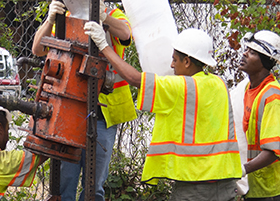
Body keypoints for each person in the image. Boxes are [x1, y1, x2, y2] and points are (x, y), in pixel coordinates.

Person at [85, 23, 243, 201]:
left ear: (187, 61)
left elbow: (136, 79)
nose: (172, 65)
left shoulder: (181, 87)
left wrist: (104, 46)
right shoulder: (219, 84)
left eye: (175, 59)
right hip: (225, 180)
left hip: (195, 183)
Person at [31, 0, 137, 200]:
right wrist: (50, 20)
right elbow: (37, 49)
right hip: (71, 110)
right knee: (65, 182)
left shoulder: (114, 16)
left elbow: (126, 34)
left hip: (104, 113)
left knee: (94, 186)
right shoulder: (66, 17)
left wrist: (103, 18)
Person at [238, 30, 280, 200]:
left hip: (272, 189)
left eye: (252, 53)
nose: (244, 54)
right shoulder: (249, 89)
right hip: (258, 186)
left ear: (265, 61)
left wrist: (243, 170)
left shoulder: (273, 98)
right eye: (247, 49)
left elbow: (273, 151)